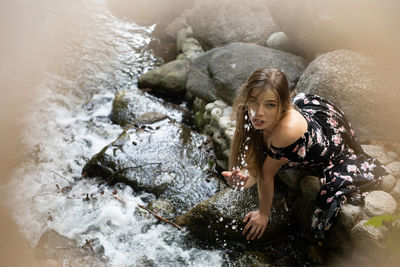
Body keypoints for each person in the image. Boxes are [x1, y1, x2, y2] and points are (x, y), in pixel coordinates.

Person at [222, 67, 387, 242]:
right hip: (307, 114)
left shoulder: (286, 131)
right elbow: (255, 164)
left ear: (283, 105)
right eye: (254, 101)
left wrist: (263, 214)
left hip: (329, 143)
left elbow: (266, 174)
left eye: (270, 104)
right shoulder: (253, 114)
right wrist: (245, 177)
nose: (258, 112)